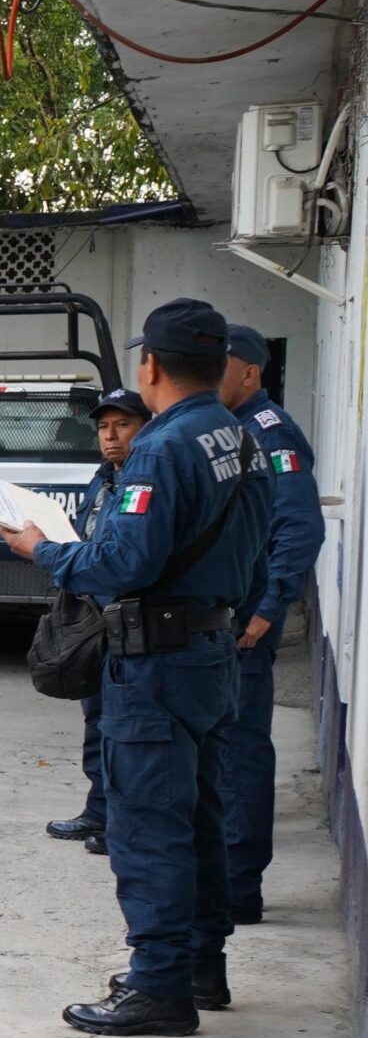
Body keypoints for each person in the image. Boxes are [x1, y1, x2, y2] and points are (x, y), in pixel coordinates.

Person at [2, 296, 270, 1035]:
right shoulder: (242, 437)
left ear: (150, 366)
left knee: (150, 826)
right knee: (202, 818)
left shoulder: (161, 447)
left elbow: (123, 563)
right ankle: (200, 968)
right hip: (211, 652)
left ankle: (159, 986)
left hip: (157, 663)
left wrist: (43, 550)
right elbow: (255, 549)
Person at [219, 325, 325, 924]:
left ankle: (240, 889)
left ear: (250, 372)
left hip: (245, 623)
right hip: (223, 617)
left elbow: (300, 526)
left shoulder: (269, 431)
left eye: (219, 364)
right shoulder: (226, 429)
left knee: (241, 753)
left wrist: (268, 608)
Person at [44, 387, 148, 857]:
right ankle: (99, 810)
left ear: (145, 428)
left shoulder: (145, 481)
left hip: (130, 619)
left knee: (125, 728)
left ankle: (121, 821)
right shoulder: (103, 478)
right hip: (93, 616)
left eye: (123, 425)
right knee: (96, 718)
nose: (111, 436)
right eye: (104, 427)